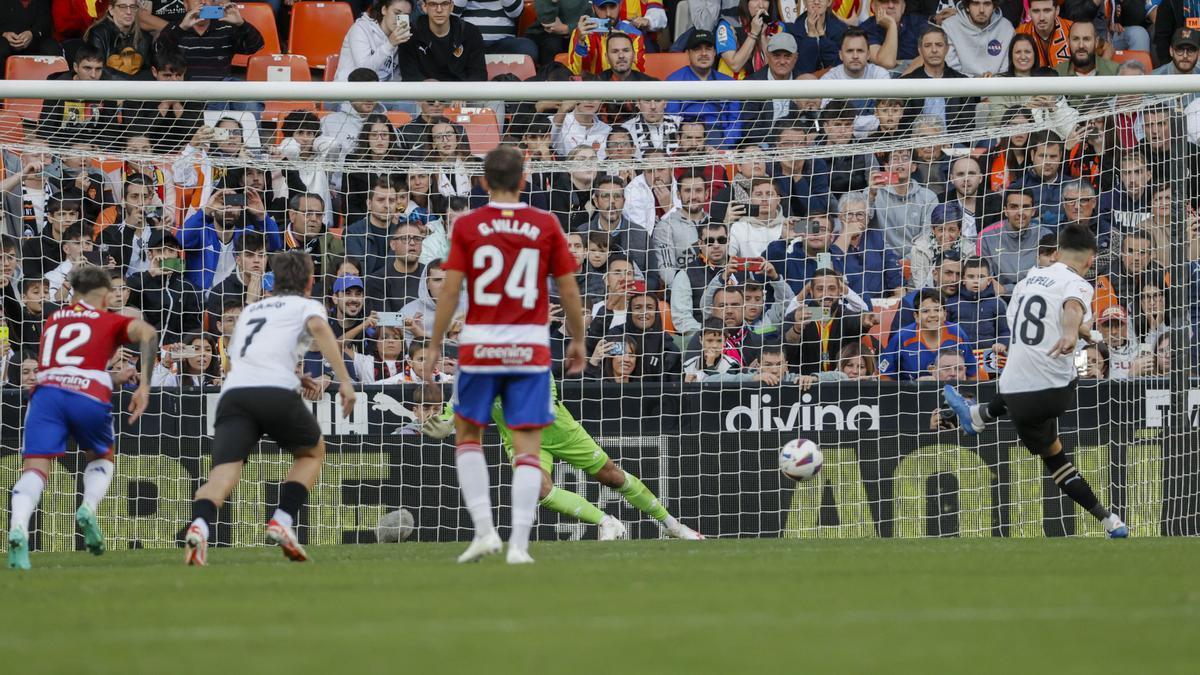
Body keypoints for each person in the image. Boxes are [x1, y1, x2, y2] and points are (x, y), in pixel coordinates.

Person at [421, 145, 587, 565]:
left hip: (480, 346)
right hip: (529, 347)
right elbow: (568, 289)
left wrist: (436, 344)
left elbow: (451, 290)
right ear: (524, 179)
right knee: (528, 445)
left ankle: (483, 532)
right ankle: (518, 544)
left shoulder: (468, 225)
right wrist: (578, 340)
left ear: (483, 181)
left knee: (468, 436)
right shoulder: (545, 222)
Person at [942, 224, 1129, 538]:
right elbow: (1072, 308)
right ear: (1091, 259)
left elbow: (1028, 323)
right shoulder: (1078, 283)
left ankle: (977, 417)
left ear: (1055, 253)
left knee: (1055, 461)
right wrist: (1073, 333)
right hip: (1058, 390)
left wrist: (1080, 332)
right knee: (1056, 454)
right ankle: (1113, 522)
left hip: (1017, 392)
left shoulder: (1027, 281)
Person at [183, 251, 357, 566]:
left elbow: (246, 356)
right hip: (275, 392)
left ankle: (200, 526)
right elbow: (318, 327)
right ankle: (282, 519)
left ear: (273, 280)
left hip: (235, 394)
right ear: (310, 280)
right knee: (312, 452)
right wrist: (344, 380)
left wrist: (296, 374)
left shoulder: (253, 310)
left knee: (224, 472)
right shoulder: (308, 305)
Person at [7, 264, 158, 570]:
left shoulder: (53, 319)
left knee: (35, 467)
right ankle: (88, 507)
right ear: (105, 296)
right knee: (101, 456)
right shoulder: (109, 319)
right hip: (88, 396)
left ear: (73, 293)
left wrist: (113, 378)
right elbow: (149, 334)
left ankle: (18, 526)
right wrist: (143, 384)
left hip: (46, 393)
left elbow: (70, 364)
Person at [420, 374, 701, 539]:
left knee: (611, 476)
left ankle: (672, 525)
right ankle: (606, 522)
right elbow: (452, 413)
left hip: (557, 429)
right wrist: (446, 424)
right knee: (539, 489)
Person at [666, 30, 744, 149]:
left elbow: (735, 120)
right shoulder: (674, 81)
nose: (703, 53)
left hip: (719, 136)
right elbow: (671, 121)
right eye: (697, 49)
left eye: (708, 49)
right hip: (687, 137)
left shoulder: (728, 83)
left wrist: (726, 145)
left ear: (714, 52)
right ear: (688, 53)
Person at [156, 0, 265, 82]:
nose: (203, 2)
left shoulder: (226, 28)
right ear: (185, 4)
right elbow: (158, 51)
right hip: (186, 93)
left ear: (213, 4)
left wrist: (241, 24)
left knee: (251, 104)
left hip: (220, 91)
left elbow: (255, 47)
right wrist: (182, 28)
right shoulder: (176, 28)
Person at [398, 0, 487, 81]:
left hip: (462, 94)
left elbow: (479, 75)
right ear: (424, 7)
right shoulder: (410, 33)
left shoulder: (470, 32)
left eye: (444, 4)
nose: (439, 10)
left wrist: (463, 94)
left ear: (451, 6)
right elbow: (409, 75)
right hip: (424, 94)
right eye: (433, 4)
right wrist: (423, 85)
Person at [334, 0, 411, 83]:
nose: (400, 20)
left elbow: (396, 76)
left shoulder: (403, 38)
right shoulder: (360, 29)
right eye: (396, 13)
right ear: (384, 10)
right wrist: (390, 44)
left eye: (405, 16)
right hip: (348, 90)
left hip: (381, 93)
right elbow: (364, 71)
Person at [565, 1, 646, 75]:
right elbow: (576, 74)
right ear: (593, 8)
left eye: (612, 6)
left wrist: (624, 42)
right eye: (602, 7)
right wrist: (581, 44)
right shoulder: (582, 33)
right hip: (592, 89)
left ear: (620, 6)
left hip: (622, 89)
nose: (608, 14)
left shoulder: (634, 35)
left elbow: (637, 75)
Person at [942, 0, 1015, 77]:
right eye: (976, 3)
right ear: (967, 7)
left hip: (998, 85)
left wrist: (994, 79)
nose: (981, 10)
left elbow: (1006, 69)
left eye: (987, 4)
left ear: (994, 7)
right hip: (960, 85)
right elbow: (951, 68)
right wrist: (976, 82)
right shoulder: (950, 26)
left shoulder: (1006, 28)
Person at [83, 0, 153, 79]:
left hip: (137, 90)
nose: (129, 12)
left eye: (133, 7)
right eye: (122, 7)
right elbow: (97, 69)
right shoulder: (99, 33)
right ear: (111, 9)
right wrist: (131, 83)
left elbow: (150, 72)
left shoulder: (145, 38)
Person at [0, 0, 58, 77]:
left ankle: (50, 87)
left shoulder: (42, 2)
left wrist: (32, 33)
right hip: (5, 38)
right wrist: (4, 34)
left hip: (35, 38)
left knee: (52, 48)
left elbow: (45, 21)